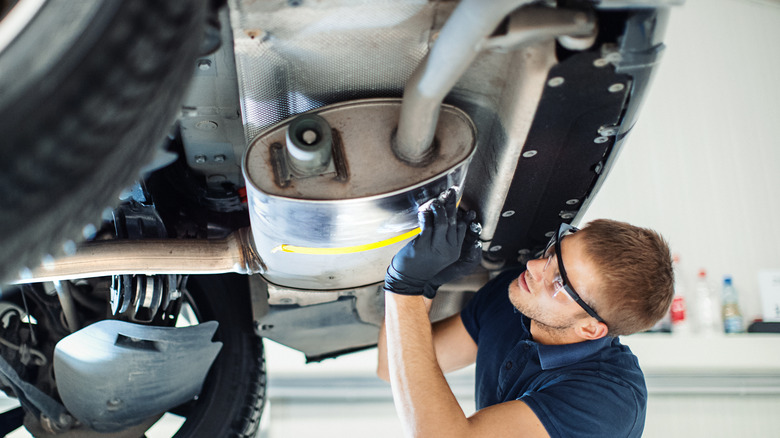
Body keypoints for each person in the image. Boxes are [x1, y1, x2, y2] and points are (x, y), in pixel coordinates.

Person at [377, 188, 674, 438]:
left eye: (558, 281)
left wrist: (406, 287)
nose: (532, 268)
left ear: (590, 329)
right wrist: (428, 284)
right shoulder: (515, 299)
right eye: (551, 254)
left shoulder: (607, 400)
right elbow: (391, 367)